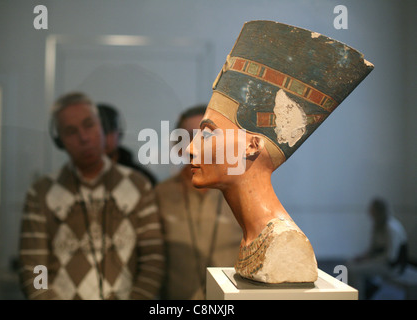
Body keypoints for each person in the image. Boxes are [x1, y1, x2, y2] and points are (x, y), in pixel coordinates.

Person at [186, 20, 374, 284]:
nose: (191, 148)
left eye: (208, 134)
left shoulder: (285, 242)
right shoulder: (253, 237)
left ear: (252, 146)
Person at [18, 92, 164, 300]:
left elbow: (153, 260)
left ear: (102, 128)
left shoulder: (139, 186)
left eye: (89, 125)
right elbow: (35, 267)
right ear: (60, 141)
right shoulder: (41, 193)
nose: (84, 137)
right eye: (71, 131)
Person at [155, 105, 242, 300]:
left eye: (206, 136)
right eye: (188, 136)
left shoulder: (240, 191)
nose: (197, 143)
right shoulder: (160, 194)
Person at [347, 197, 408, 299]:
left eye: (372, 210)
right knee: (350, 264)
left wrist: (370, 261)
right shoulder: (377, 226)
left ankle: (359, 297)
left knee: (354, 270)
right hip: (381, 261)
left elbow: (390, 257)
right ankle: (365, 291)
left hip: (392, 266)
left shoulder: (391, 228)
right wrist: (362, 258)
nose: (370, 213)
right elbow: (372, 249)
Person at [97, 103, 157, 186]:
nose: (103, 138)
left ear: (119, 134)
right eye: (98, 133)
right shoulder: (76, 176)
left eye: (108, 131)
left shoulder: (140, 177)